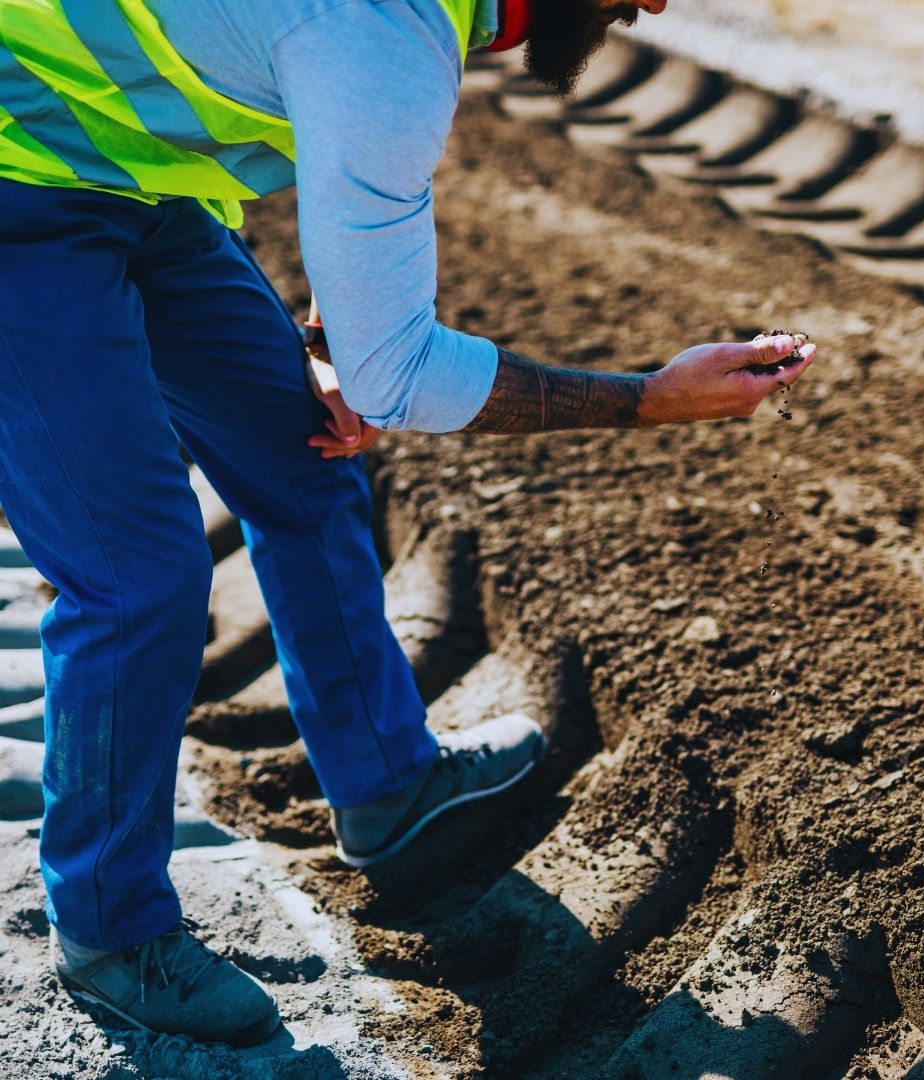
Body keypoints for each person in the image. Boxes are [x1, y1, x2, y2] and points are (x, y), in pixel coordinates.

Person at [0, 0, 817, 1048]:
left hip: (137, 188)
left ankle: (387, 786)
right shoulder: (384, 37)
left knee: (304, 459)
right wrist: (646, 397)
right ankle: (110, 932)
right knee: (137, 579)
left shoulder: (403, 28)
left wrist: (332, 329)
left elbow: (331, 161)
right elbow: (398, 376)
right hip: (20, 196)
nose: (653, 3)